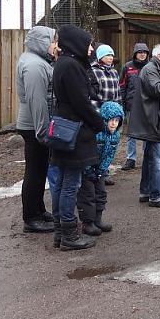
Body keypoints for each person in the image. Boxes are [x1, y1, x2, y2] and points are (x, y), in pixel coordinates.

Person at [50, 25, 105, 251]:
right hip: (74, 130)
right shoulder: (72, 66)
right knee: (70, 184)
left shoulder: (64, 63)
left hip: (64, 128)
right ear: (77, 44)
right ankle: (69, 235)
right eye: (89, 44)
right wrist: (98, 122)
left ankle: (60, 231)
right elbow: (81, 102)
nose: (91, 49)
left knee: (62, 183)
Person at [16, 26, 58, 233]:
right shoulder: (34, 65)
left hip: (36, 124)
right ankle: (31, 217)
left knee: (40, 170)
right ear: (41, 42)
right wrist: (43, 131)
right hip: (34, 125)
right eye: (52, 41)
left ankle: (39, 210)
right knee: (34, 171)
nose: (55, 46)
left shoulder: (38, 61)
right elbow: (37, 101)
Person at [128, 44, 160, 208]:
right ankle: (157, 196)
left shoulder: (155, 69)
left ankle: (145, 192)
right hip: (153, 123)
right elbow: (159, 90)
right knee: (157, 160)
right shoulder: (151, 69)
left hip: (152, 121)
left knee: (150, 158)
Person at [77, 101, 124, 236]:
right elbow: (87, 151)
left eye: (117, 120)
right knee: (88, 194)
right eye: (111, 120)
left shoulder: (115, 135)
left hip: (100, 169)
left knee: (101, 192)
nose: (114, 123)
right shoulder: (96, 133)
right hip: (87, 168)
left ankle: (98, 219)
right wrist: (88, 169)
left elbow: (109, 155)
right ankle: (88, 222)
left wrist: (102, 169)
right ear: (104, 119)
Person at [89, 43, 121, 185]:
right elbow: (93, 95)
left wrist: (119, 109)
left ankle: (104, 171)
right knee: (99, 143)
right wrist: (97, 114)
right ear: (100, 56)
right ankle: (93, 170)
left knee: (110, 144)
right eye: (107, 55)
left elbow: (118, 92)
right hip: (100, 113)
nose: (110, 58)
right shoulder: (93, 71)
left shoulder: (114, 72)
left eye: (112, 55)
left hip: (113, 113)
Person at [119, 43, 150, 170]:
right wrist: (122, 102)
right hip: (131, 104)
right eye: (140, 52)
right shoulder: (127, 67)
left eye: (145, 52)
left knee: (146, 133)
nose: (142, 54)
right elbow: (122, 86)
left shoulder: (151, 66)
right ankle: (131, 158)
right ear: (135, 53)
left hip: (147, 104)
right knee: (131, 133)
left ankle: (147, 158)